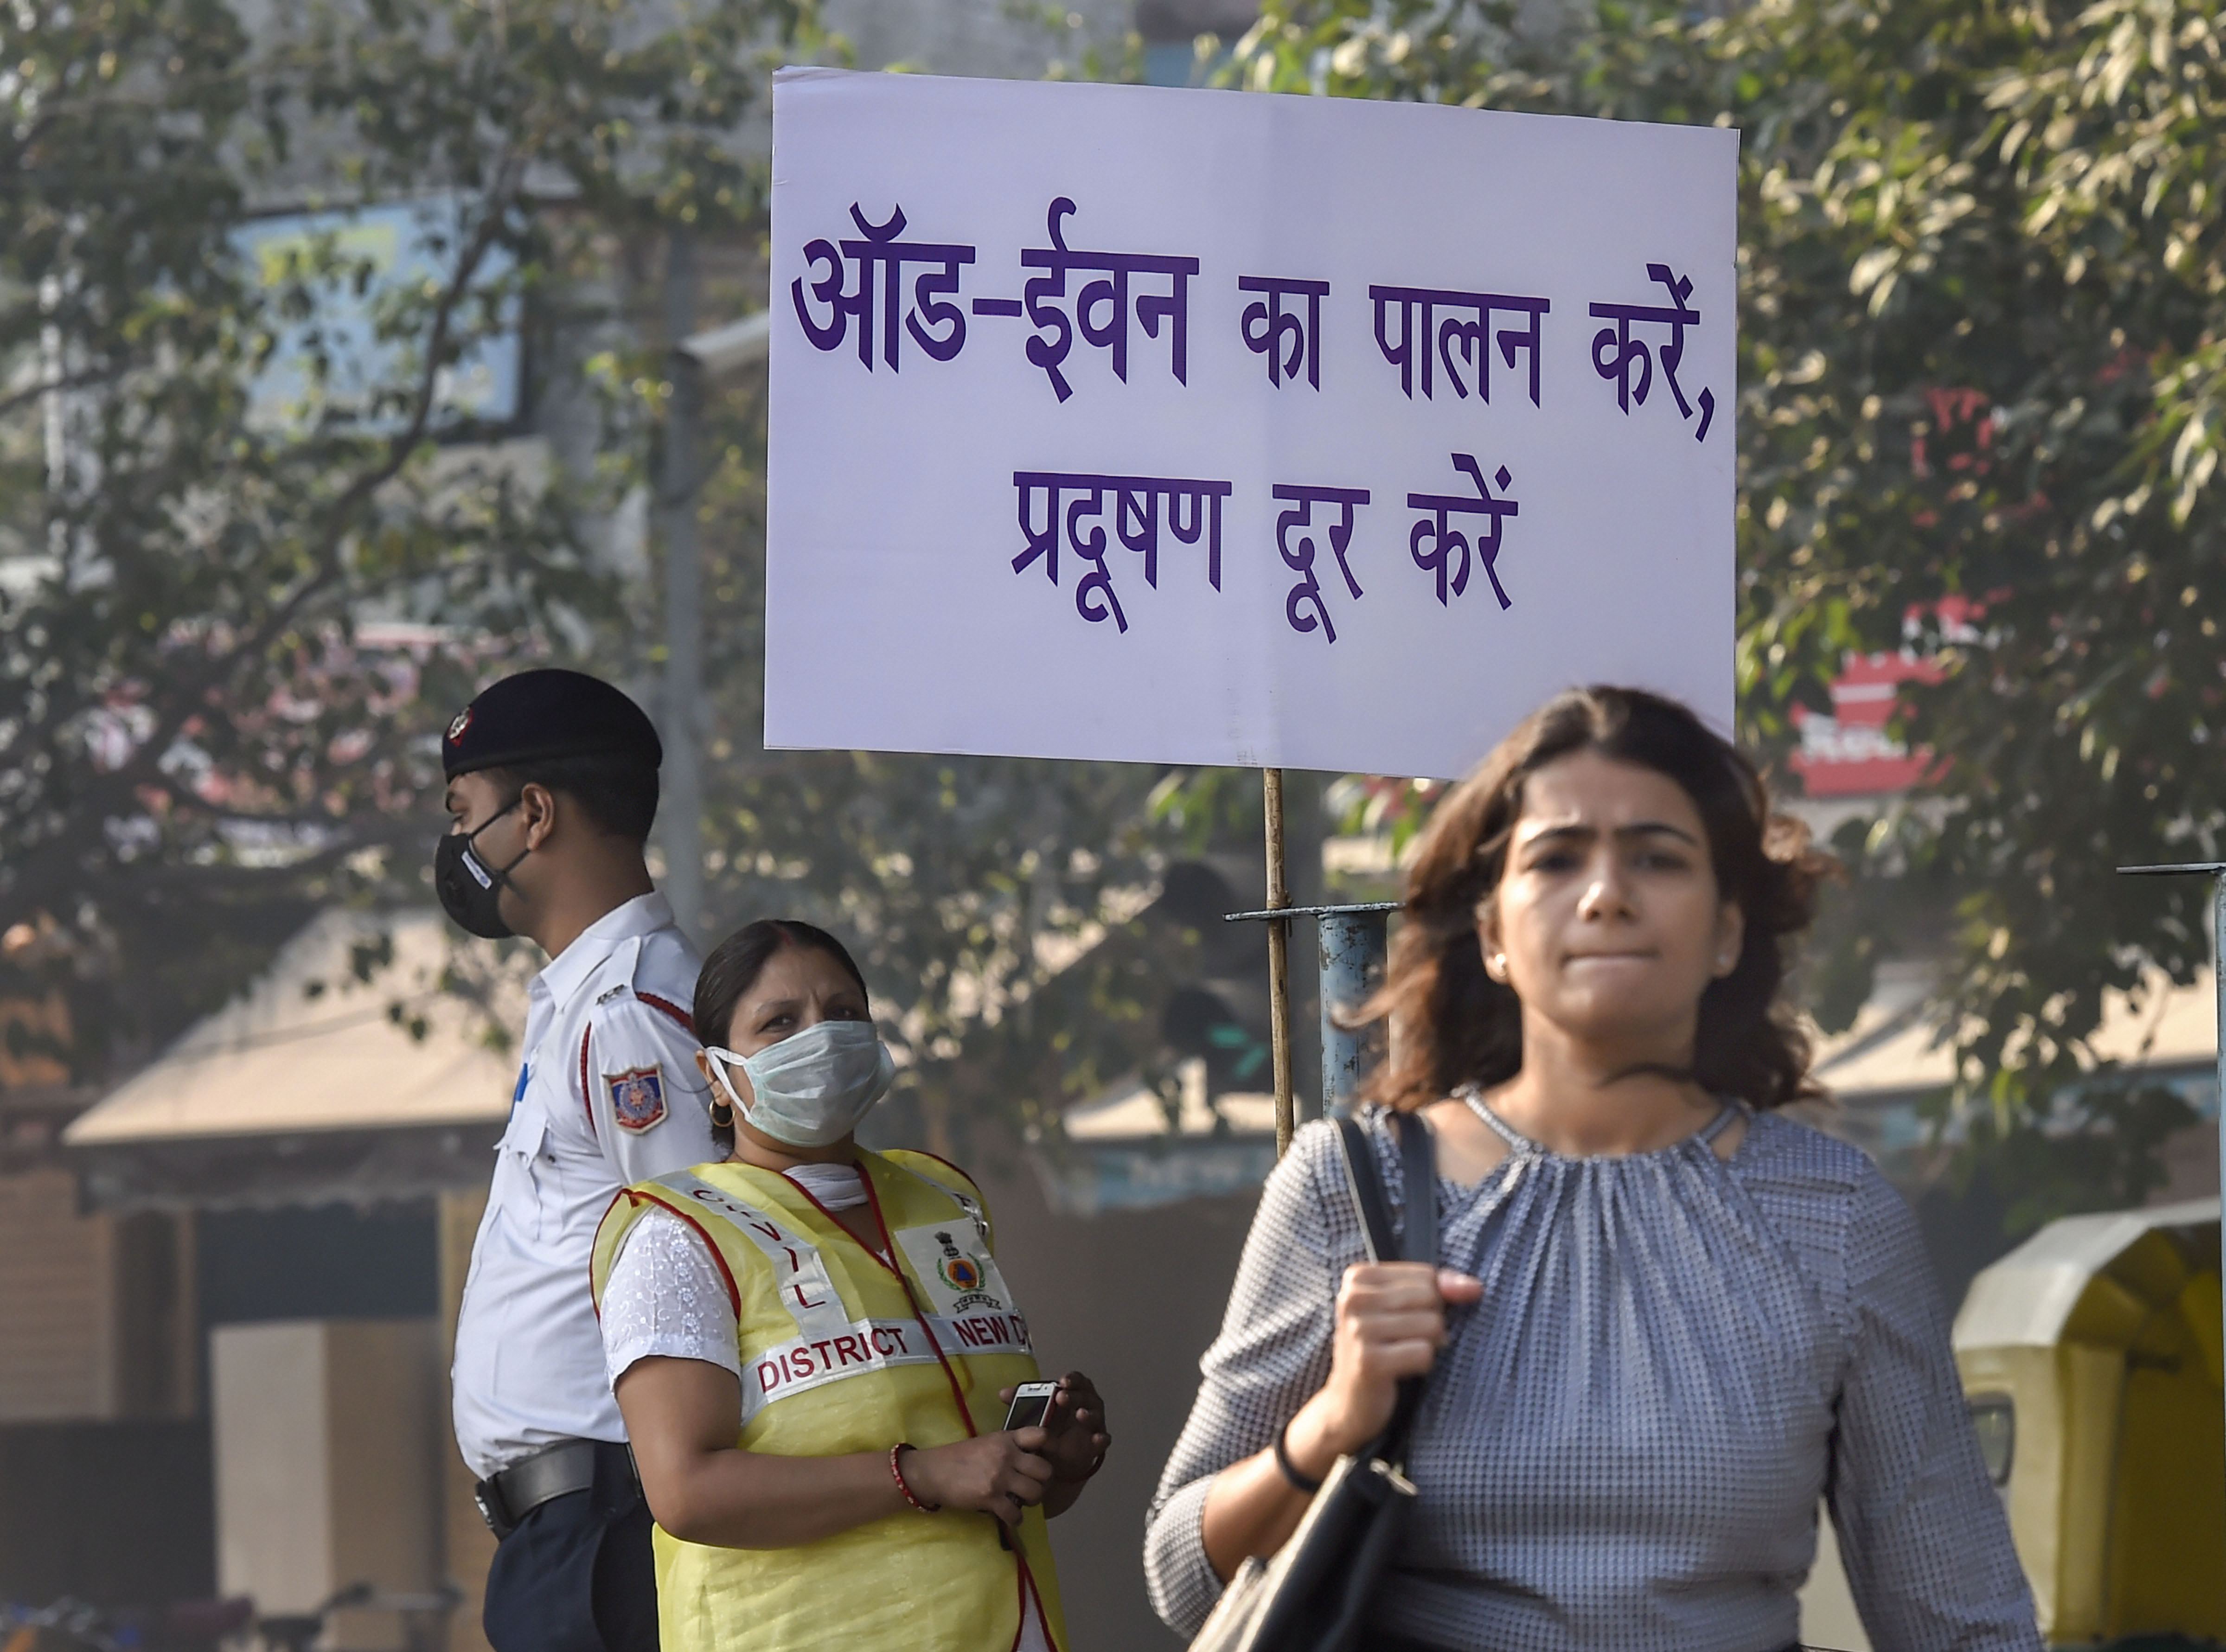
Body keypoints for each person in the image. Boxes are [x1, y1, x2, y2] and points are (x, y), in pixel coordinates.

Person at [1145, 685, 2040, 1652]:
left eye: (1658, 856)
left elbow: (1962, 1619)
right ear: (1492, 933)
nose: (1607, 892)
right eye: (1557, 857)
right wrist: (1330, 1425)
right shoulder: (1348, 1188)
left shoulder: (1836, 1213)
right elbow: (1183, 1579)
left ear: (1729, 929)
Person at [589, 918, 1111, 1652]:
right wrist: (922, 1474)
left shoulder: (942, 1202)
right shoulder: (680, 1235)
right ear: (714, 1072)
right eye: (780, 1022)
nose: (821, 1038)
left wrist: (1051, 1466)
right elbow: (685, 1490)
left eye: (843, 1013)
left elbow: (979, 1471)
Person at [441, 668, 722, 1652]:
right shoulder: (583, 1003)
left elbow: (708, 1261)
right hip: (570, 1534)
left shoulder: (633, 1013)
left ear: (535, 812)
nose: (458, 847)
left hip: (613, 1529)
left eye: (465, 813)